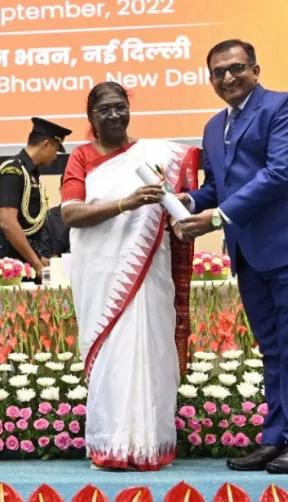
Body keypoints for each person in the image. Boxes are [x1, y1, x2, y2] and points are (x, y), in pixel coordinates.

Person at [176, 39, 288, 474]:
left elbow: (280, 173)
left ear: (256, 69)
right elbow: (219, 186)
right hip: (250, 251)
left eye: (236, 68)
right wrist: (185, 202)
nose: (228, 77)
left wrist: (216, 219)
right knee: (272, 349)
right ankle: (276, 439)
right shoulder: (213, 127)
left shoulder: (285, 107)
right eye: (218, 72)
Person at [60, 82, 197, 470]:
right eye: (105, 109)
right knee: (112, 356)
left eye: (120, 107)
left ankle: (150, 444)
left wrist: (185, 214)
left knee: (150, 349)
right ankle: (111, 446)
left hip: (148, 270)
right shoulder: (81, 158)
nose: (114, 115)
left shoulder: (154, 156)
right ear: (91, 117)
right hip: (103, 274)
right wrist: (126, 202)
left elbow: (176, 209)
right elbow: (70, 214)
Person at [0, 117, 71, 281]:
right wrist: (36, 265)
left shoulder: (31, 175)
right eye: (55, 150)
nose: (55, 157)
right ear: (46, 144)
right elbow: (7, 222)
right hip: (10, 268)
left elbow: (28, 227)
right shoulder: (13, 171)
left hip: (25, 262)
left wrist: (39, 258)